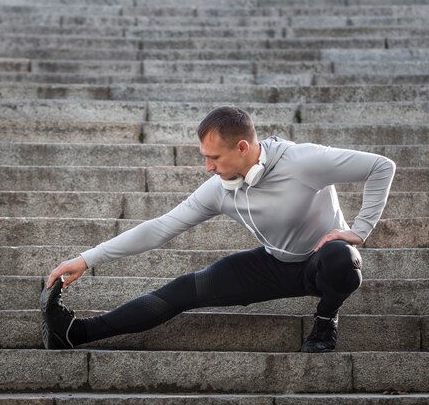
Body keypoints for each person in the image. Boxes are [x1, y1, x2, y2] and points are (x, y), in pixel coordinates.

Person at [40, 106, 396, 353]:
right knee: (181, 291)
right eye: (204, 157)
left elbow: (381, 166)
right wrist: (87, 259)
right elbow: (160, 228)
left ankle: (325, 318)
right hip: (273, 265)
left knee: (341, 258)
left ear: (242, 147)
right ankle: (75, 333)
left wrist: (360, 229)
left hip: (323, 261)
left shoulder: (303, 161)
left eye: (215, 158)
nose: (208, 168)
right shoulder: (219, 189)